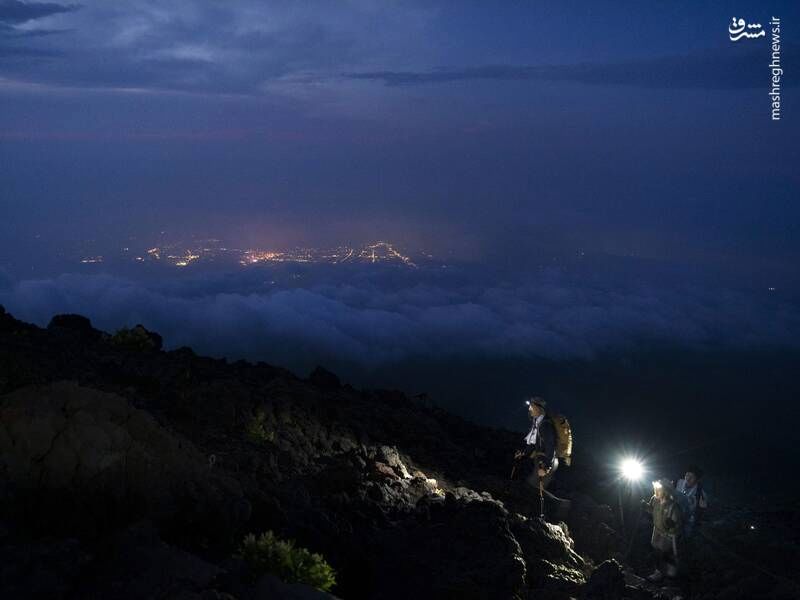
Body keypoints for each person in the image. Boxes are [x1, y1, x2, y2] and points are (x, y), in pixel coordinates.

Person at [644, 478, 684, 583]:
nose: (656, 491)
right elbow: (652, 510)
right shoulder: (655, 499)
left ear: (666, 491)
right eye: (656, 488)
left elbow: (677, 524)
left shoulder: (673, 506)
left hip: (668, 534)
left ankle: (669, 573)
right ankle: (660, 572)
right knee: (657, 550)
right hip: (657, 530)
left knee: (665, 552)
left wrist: (672, 525)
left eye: (659, 489)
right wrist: (645, 506)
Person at [514, 396, 558, 488]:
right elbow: (533, 444)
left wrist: (546, 466)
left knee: (534, 487)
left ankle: (562, 503)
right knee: (533, 486)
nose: (529, 409)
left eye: (531, 406)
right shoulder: (537, 424)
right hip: (541, 460)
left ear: (538, 408)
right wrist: (523, 454)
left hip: (548, 460)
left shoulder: (545, 425)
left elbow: (551, 446)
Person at [676, 465, 707, 536]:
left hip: (688, 522)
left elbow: (701, 513)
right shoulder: (677, 483)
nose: (688, 479)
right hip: (674, 516)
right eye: (687, 475)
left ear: (697, 480)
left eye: (692, 477)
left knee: (685, 536)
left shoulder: (701, 494)